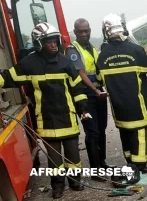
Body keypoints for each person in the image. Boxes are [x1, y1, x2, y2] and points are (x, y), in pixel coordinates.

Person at [0, 22, 89, 199]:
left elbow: (77, 89)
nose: (54, 44)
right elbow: (8, 78)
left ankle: (75, 181)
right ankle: (57, 186)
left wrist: (83, 110)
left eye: (55, 41)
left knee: (73, 154)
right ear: (39, 43)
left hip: (68, 117)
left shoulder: (65, 62)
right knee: (54, 158)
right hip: (46, 119)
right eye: (49, 41)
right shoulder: (29, 64)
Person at [96, 13, 147, 175]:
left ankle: (130, 162)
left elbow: (99, 78)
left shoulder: (102, 56)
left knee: (125, 134)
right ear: (122, 27)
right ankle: (140, 166)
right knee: (140, 133)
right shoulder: (135, 50)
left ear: (105, 31)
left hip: (119, 106)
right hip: (137, 104)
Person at [65, 18, 114, 182]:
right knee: (92, 131)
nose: (84, 34)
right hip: (85, 97)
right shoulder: (73, 50)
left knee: (101, 129)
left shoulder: (92, 48)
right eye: (80, 31)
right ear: (75, 32)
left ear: (90, 30)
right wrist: (95, 90)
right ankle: (96, 170)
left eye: (86, 31)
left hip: (98, 95)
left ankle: (102, 162)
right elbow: (81, 73)